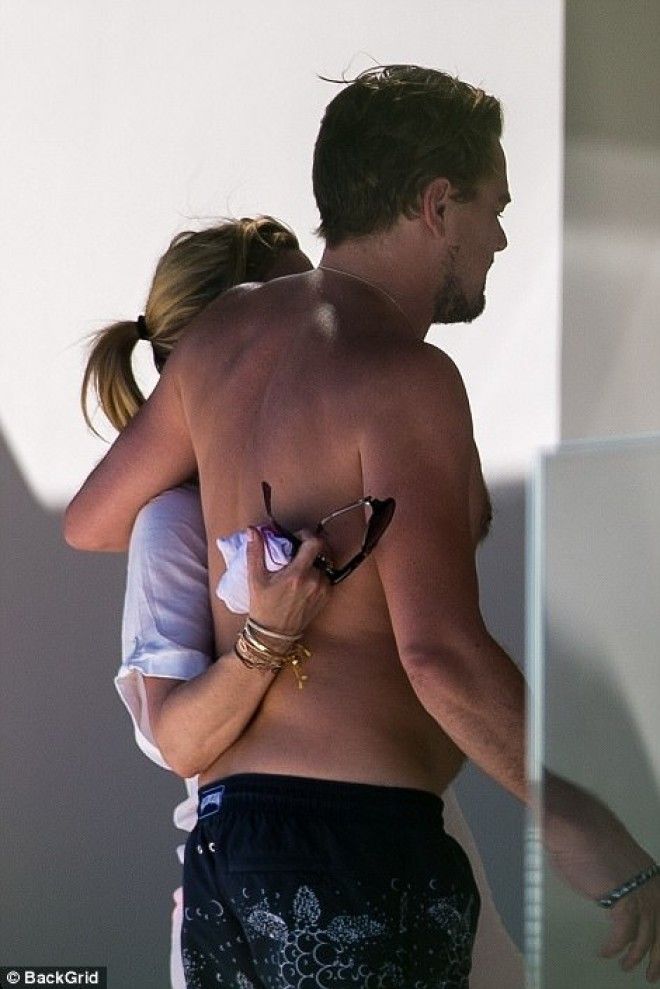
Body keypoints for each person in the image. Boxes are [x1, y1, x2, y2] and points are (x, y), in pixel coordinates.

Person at [65, 65, 659, 986]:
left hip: (228, 854)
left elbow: (91, 518)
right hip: (355, 859)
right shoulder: (405, 375)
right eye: (495, 208)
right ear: (436, 205)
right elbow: (440, 655)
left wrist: (250, 480)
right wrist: (579, 819)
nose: (502, 237)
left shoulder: (225, 336)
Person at [80, 213, 522, 987]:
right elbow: (179, 739)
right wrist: (264, 638)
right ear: (231, 338)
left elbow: (469, 529)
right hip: (282, 871)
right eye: (290, 301)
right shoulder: (172, 521)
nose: (321, 318)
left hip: (404, 825)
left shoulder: (360, 424)